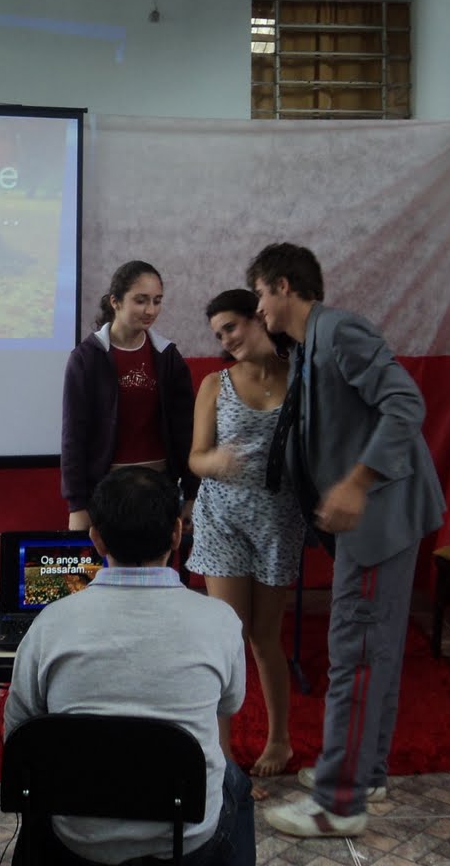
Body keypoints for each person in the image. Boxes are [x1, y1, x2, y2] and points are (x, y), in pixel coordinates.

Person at [245, 243, 446, 839]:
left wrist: (357, 483)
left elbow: (405, 403)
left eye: (259, 294)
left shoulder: (339, 332)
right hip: (377, 519)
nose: (259, 309)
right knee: (372, 650)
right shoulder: (313, 343)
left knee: (355, 653)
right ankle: (366, 774)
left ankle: (338, 803)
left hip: (379, 518)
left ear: (284, 286)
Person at [5, 466, 256, 866]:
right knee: (235, 784)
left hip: (77, 842)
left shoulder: (50, 623)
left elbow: (19, 733)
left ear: (95, 538)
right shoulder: (220, 620)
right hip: (186, 840)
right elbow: (230, 703)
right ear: (177, 533)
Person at [187, 288, 307, 783]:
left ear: (258, 319)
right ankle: (223, 754)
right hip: (222, 521)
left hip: (279, 522)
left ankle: (280, 737)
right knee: (228, 638)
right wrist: (214, 461)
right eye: (218, 335)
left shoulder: (302, 376)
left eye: (231, 327)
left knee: (264, 637)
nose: (226, 340)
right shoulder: (214, 384)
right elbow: (195, 457)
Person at [61, 260, 196, 531]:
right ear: (116, 301)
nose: (151, 310)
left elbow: (187, 431)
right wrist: (77, 504)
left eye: (157, 301)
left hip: (161, 488)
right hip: (107, 491)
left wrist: (192, 494)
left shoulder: (168, 357)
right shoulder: (87, 358)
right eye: (141, 300)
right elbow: (74, 435)